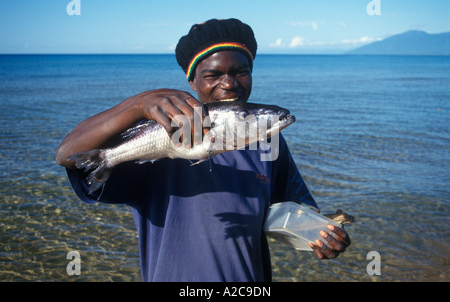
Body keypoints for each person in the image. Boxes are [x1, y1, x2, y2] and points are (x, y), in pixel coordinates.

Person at [56, 18, 351, 282]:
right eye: (212, 75)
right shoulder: (163, 139)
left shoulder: (269, 141)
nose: (229, 84)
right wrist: (138, 104)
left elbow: (295, 210)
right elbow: (68, 154)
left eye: (241, 71)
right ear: (192, 80)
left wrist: (321, 234)